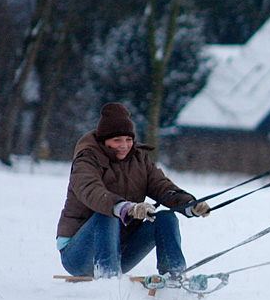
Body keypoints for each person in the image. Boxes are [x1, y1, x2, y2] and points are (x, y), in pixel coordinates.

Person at [56, 102, 210, 279]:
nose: (124, 145)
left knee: (165, 218)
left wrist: (190, 205)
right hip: (78, 255)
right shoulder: (86, 159)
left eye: (128, 140)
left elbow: (162, 186)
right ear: (104, 141)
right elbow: (92, 191)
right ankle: (108, 280)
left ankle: (174, 276)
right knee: (106, 215)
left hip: (120, 251)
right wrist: (126, 208)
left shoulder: (138, 159)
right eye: (117, 140)